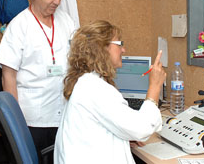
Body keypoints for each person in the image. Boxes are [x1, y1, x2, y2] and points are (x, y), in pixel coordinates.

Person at [54, 20, 167, 164]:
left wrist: (123, 135)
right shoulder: (95, 89)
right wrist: (155, 86)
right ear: (101, 49)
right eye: (119, 44)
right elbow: (142, 128)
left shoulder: (86, 82)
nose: (123, 50)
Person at [0, 0, 76, 158]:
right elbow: (8, 76)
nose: (57, 1)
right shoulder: (19, 26)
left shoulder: (67, 22)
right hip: (32, 119)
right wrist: (15, 122)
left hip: (64, 116)